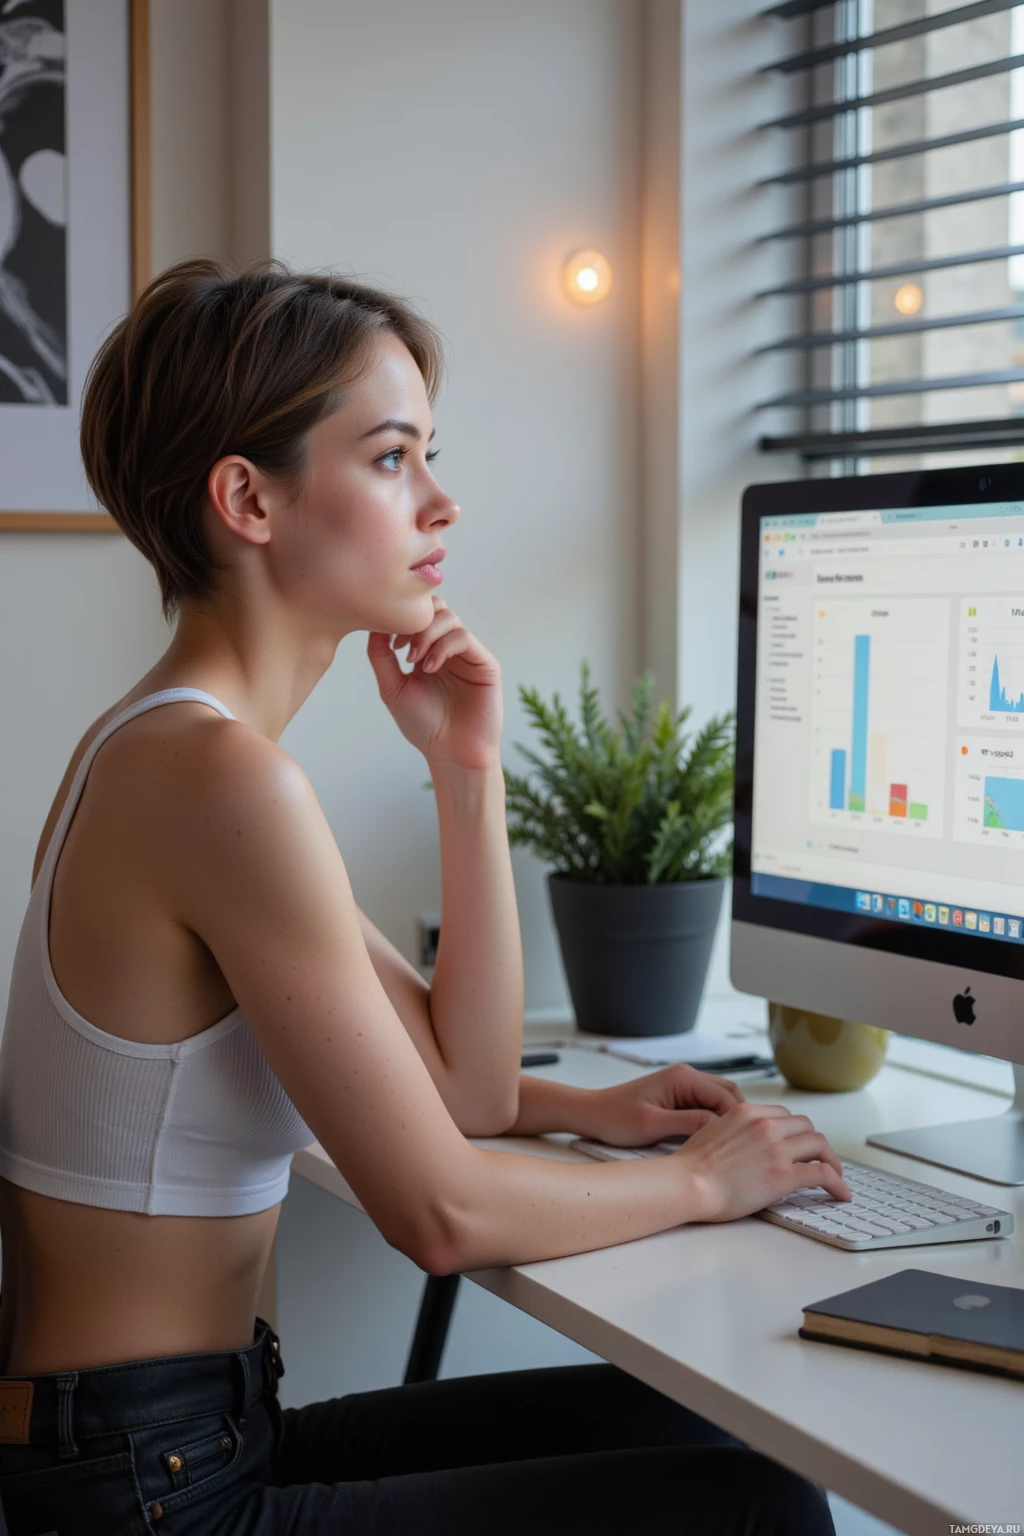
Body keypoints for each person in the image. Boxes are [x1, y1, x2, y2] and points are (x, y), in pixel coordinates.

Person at [0, 258, 851, 1535]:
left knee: (704, 1424)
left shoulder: (176, 749)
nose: (441, 503)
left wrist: (466, 772)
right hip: (146, 1497)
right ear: (248, 500)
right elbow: (441, 1214)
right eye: (393, 458)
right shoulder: (216, 779)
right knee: (753, 1508)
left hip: (174, 1443)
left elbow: (468, 1089)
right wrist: (702, 1182)